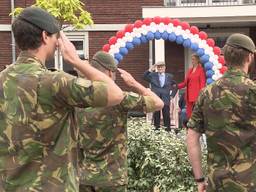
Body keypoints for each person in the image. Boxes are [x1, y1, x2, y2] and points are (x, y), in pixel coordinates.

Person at [0, 7, 124, 191]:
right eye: (55, 37)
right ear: (44, 36)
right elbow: (116, 94)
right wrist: (75, 60)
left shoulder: (2, 79)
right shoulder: (56, 82)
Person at [78, 51, 164, 192]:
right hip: (112, 179)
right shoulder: (119, 99)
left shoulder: (79, 97)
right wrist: (133, 83)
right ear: (110, 73)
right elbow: (158, 103)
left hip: (84, 176)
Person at [186, 33, 256, 192]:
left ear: (225, 58)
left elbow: (191, 138)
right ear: (249, 57)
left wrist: (199, 179)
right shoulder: (253, 91)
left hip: (217, 183)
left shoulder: (207, 93)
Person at [143, 61, 177, 131]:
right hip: (156, 98)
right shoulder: (152, 75)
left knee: (166, 115)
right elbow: (144, 77)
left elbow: (175, 86)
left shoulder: (169, 76)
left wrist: (172, 95)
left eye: (161, 67)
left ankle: (168, 130)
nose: (160, 68)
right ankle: (156, 130)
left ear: (164, 67)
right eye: (158, 67)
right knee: (156, 115)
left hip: (166, 98)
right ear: (157, 68)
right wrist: (150, 69)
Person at [178, 54, 206, 119]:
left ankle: (197, 128)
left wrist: (201, 95)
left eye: (193, 59)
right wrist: (176, 86)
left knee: (197, 113)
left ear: (197, 60)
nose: (192, 61)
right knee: (189, 114)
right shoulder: (190, 70)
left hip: (197, 95)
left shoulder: (201, 70)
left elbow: (202, 84)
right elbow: (185, 83)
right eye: (192, 59)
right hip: (188, 95)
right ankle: (190, 127)